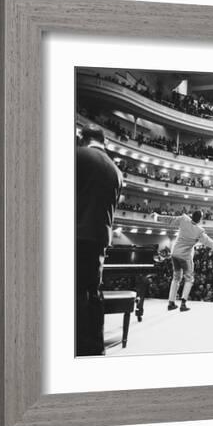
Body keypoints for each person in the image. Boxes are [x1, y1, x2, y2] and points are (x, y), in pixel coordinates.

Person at [76, 125, 123, 356]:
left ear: (82, 138)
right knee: (91, 293)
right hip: (99, 237)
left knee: (74, 293)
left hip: (76, 233)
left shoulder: (78, 155)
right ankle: (94, 346)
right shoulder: (116, 170)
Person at [151, 210, 213, 312]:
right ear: (200, 220)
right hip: (185, 257)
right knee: (189, 279)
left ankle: (171, 303)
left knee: (176, 278)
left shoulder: (183, 219)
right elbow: (210, 243)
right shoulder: (199, 231)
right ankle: (183, 304)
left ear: (191, 216)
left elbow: (169, 220)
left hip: (175, 253)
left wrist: (157, 217)